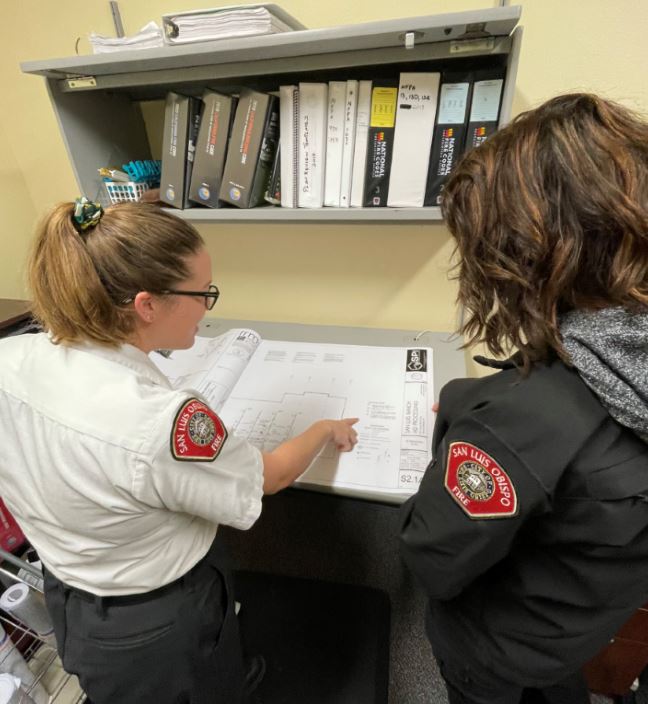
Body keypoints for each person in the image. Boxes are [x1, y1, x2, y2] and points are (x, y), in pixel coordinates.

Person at [0, 199, 358, 704]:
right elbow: (271, 475)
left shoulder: (10, 356)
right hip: (159, 621)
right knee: (203, 685)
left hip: (72, 593)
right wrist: (324, 427)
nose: (209, 307)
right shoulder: (160, 421)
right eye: (203, 293)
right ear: (147, 304)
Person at [399, 92, 648, 704]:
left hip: (494, 651)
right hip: (580, 620)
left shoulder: (518, 421)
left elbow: (432, 557)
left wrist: (466, 422)